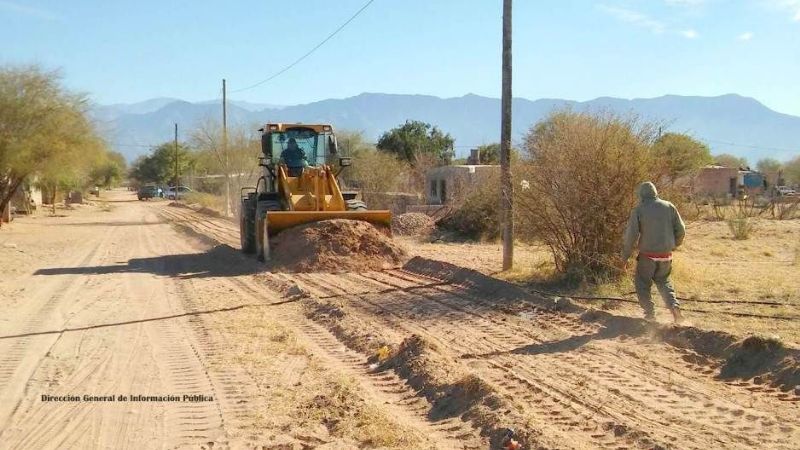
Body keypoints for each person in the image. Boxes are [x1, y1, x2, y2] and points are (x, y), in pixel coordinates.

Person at [622, 181, 686, 323]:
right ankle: (674, 307)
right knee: (664, 281)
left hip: (647, 256)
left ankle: (650, 315)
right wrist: (674, 244)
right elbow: (681, 230)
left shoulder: (639, 210)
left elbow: (631, 236)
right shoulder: (669, 206)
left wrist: (625, 257)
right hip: (666, 255)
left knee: (642, 284)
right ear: (655, 193)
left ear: (641, 195)